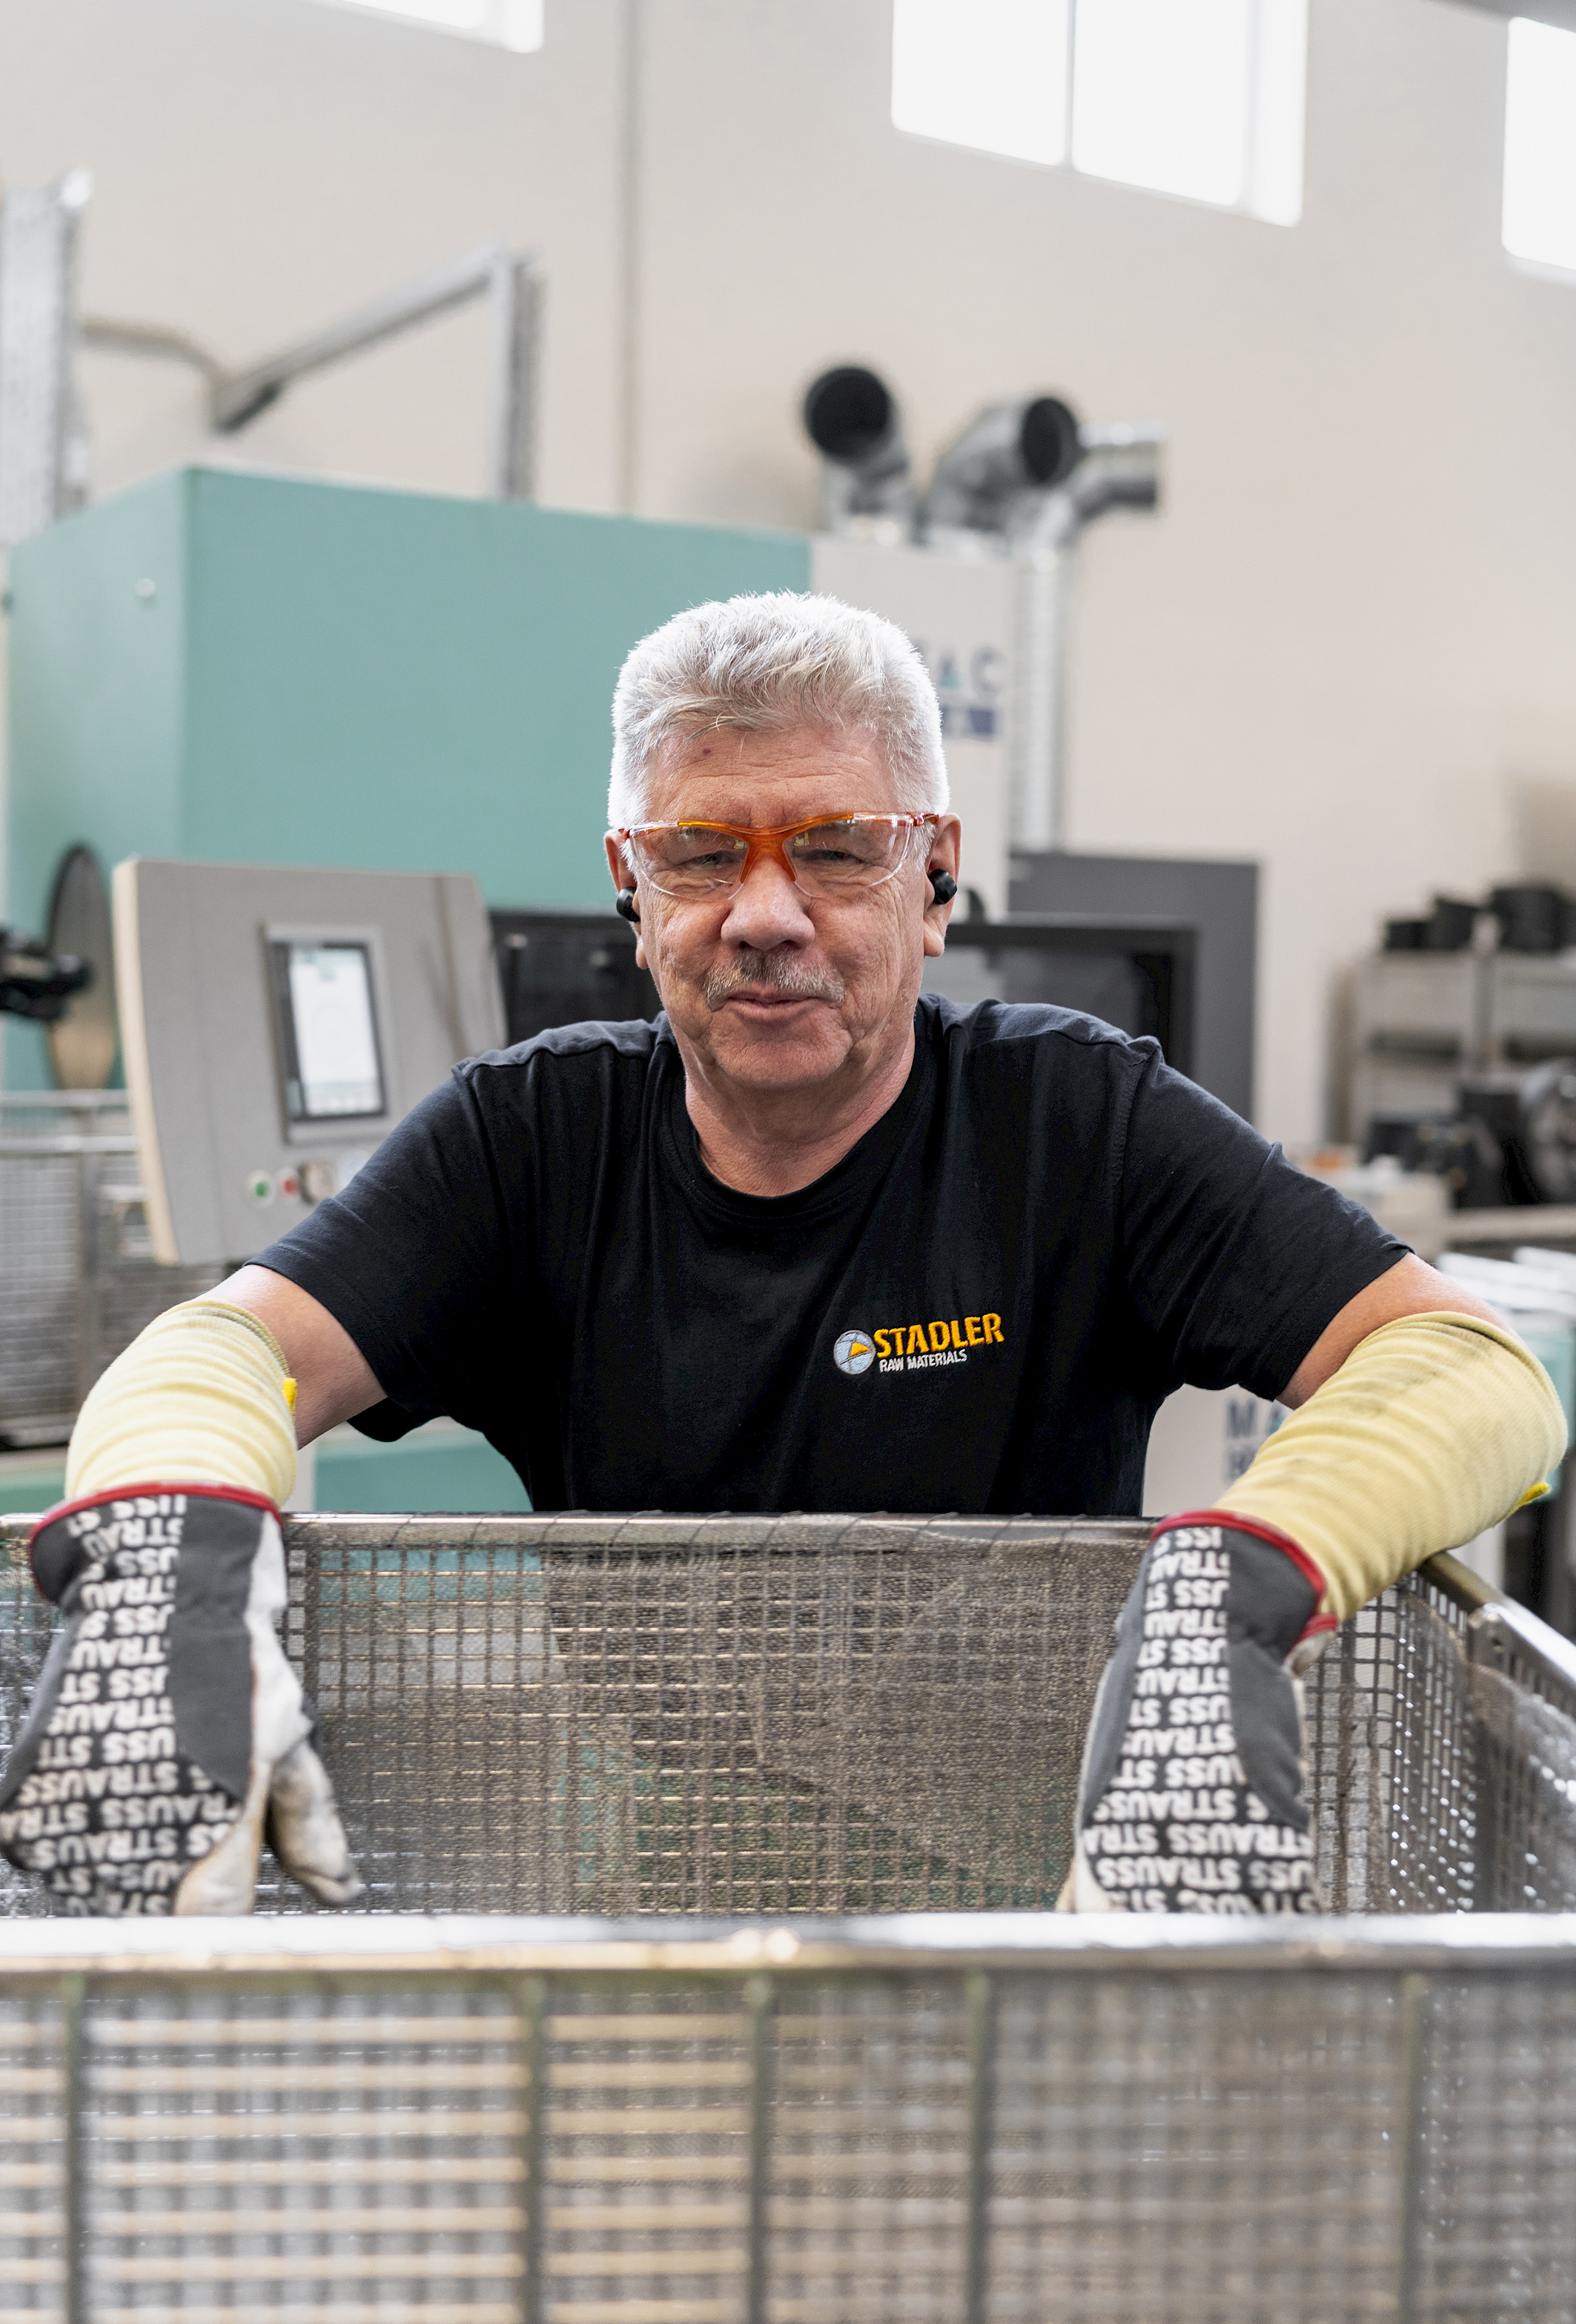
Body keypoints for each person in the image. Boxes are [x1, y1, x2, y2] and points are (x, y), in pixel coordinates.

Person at [0, 594, 1562, 1917]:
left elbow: (1468, 1368)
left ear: (931, 875)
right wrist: (169, 1566)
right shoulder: (531, 1144)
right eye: (698, 854)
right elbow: (217, 1353)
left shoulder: (1069, 1123)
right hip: (667, 1887)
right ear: (632, 891)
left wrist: (1231, 1590)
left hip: (1055, 1889)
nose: (763, 914)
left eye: (833, 848)